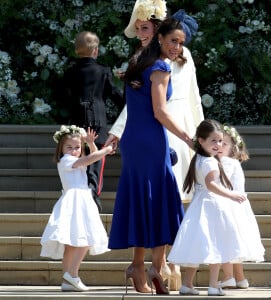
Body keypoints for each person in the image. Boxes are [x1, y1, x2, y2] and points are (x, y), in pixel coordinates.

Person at [105, 0, 204, 290]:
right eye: (173, 40)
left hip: (137, 139)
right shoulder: (159, 66)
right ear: (160, 37)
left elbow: (139, 105)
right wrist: (188, 137)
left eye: (180, 42)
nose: (177, 47)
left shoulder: (138, 60)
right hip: (154, 136)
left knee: (143, 199)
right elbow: (160, 110)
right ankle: (154, 268)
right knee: (160, 199)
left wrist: (119, 132)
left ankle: (142, 267)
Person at [168, 119, 250, 296]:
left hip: (199, 206)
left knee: (196, 244)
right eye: (213, 140)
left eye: (220, 141)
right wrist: (232, 195)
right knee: (217, 244)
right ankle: (213, 285)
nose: (218, 145)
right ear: (201, 141)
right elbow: (211, 184)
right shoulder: (210, 161)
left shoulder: (199, 157)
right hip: (213, 205)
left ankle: (187, 284)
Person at [40, 125, 113, 292]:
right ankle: (72, 274)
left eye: (77, 147)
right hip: (75, 200)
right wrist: (106, 149)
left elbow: (93, 159)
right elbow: (88, 160)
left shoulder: (76, 160)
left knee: (72, 244)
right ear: (62, 148)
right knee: (85, 238)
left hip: (81, 199)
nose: (74, 151)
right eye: (69, 147)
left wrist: (91, 144)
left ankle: (67, 280)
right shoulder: (66, 160)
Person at [57, 31, 124, 211]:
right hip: (98, 123)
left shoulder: (70, 72)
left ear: (77, 51)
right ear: (95, 51)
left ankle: (79, 199)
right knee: (95, 163)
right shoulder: (103, 71)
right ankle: (93, 197)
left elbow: (63, 99)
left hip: (77, 123)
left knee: (76, 160)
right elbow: (117, 98)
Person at [217, 125, 265, 289]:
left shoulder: (226, 162)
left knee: (226, 243)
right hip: (238, 207)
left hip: (229, 207)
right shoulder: (233, 162)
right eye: (218, 142)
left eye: (225, 143)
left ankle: (228, 276)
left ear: (233, 148)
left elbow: (221, 183)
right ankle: (240, 278)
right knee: (235, 244)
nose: (220, 146)